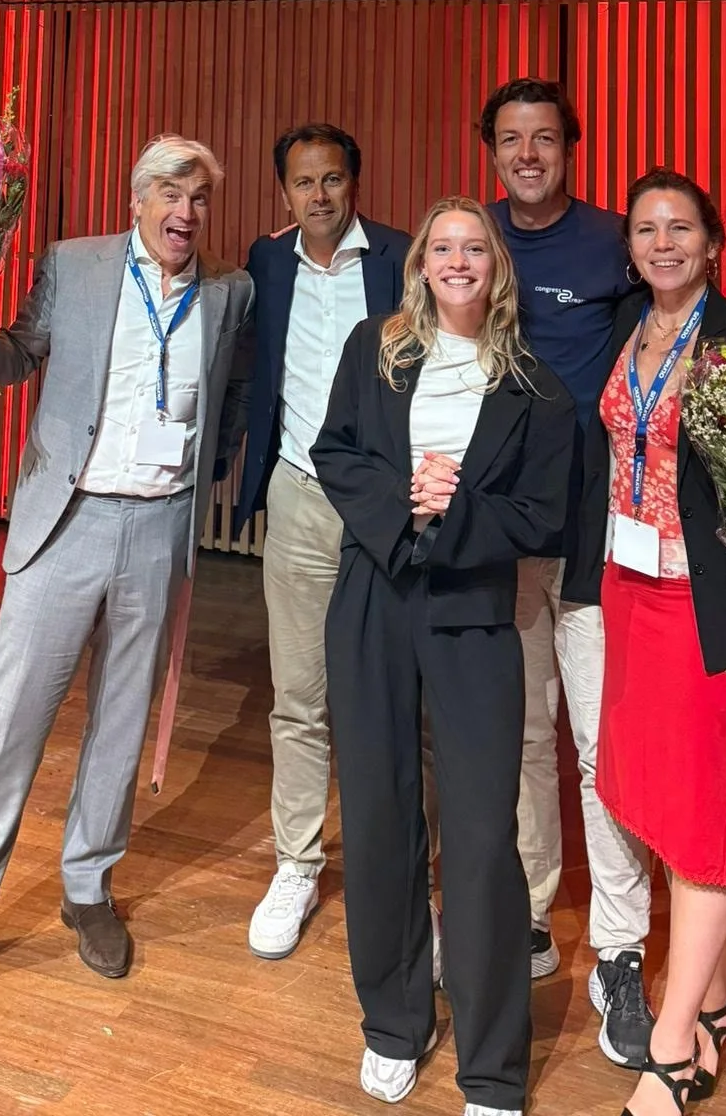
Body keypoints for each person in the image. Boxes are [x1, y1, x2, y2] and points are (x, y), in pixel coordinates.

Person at [0, 135, 254, 1019]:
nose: (186, 211)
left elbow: (232, 394)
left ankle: (89, 886)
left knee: (120, 727)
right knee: (11, 725)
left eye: (199, 197)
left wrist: (214, 462)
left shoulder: (229, 292)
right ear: (138, 199)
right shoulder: (75, 265)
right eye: (171, 191)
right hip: (67, 524)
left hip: (161, 529)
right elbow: (20, 355)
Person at [312, 199, 575, 1116]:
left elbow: (545, 516)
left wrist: (451, 507)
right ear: (420, 263)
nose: (458, 261)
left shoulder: (539, 389)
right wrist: (404, 504)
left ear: (496, 270)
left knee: (478, 837)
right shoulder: (372, 352)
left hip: (472, 613)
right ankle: (393, 1022)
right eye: (442, 248)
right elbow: (334, 453)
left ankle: (494, 1066)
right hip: (375, 597)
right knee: (380, 818)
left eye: (476, 248)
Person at [584, 170, 726, 1116]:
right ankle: (720, 995)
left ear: (713, 243)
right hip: (624, 588)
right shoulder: (623, 331)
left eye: (681, 228)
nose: (663, 243)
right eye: (646, 229)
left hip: (708, 606)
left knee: (699, 825)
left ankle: (674, 1048)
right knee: (637, 794)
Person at [480, 78, 654, 1066]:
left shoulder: (610, 242)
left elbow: (668, 346)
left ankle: (621, 951)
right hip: (504, 530)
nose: (529, 153)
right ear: (493, 152)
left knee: (600, 741)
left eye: (545, 137)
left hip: (595, 532)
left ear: (570, 148)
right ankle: (533, 913)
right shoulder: (473, 239)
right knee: (520, 734)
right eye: (512, 139)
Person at [232, 123, 409, 961]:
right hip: (299, 498)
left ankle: (406, 869)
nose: (320, 196)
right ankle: (297, 863)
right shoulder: (269, 262)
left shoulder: (402, 260)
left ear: (355, 182)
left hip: (388, 507)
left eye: (333, 179)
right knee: (298, 697)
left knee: (397, 698)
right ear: (284, 193)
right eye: (303, 183)